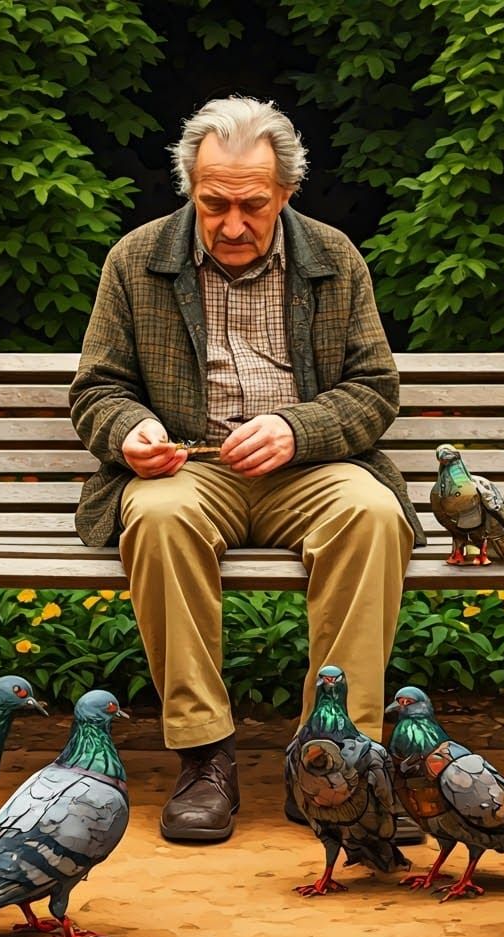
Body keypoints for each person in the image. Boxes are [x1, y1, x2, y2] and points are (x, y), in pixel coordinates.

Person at [69, 96, 425, 843]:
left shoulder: (334, 258)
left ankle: (337, 761)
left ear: (287, 194)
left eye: (252, 206)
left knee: (373, 514)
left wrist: (299, 429)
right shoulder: (136, 261)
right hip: (190, 466)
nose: (232, 224)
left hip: (310, 469)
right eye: (213, 203)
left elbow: (373, 389)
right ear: (189, 189)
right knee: (158, 516)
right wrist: (131, 431)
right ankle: (205, 758)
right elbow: (97, 389)